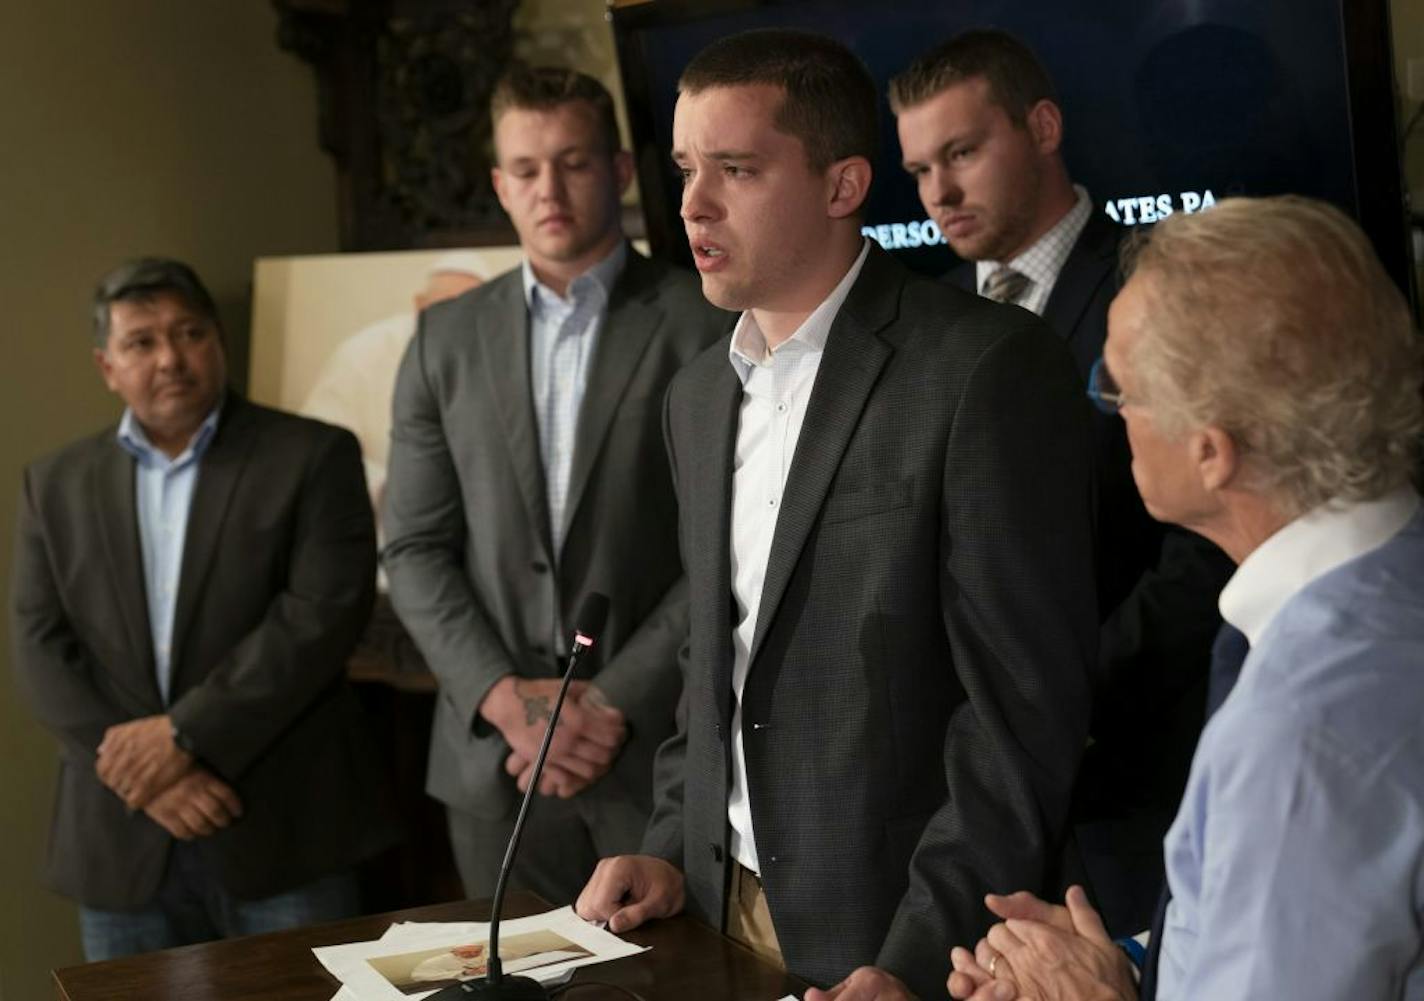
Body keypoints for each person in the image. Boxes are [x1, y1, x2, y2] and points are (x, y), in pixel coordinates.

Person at [575, 29, 1098, 1000]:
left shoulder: (984, 364)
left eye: (735, 168)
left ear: (842, 185)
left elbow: (1017, 714)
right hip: (711, 913)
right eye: (688, 167)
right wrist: (668, 849)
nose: (692, 203)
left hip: (892, 935)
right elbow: (714, 654)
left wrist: (913, 956)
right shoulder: (694, 394)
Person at [947, 195, 1424, 1001]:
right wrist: (1141, 960)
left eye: (1118, 389)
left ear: (1211, 452)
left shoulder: (1300, 733)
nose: (1114, 411)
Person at [890, 29, 1233, 934]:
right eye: (920, 168)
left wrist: (1061, 693)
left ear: (1042, 126)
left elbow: (1212, 539)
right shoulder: (918, 326)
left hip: (1134, 777)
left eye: (962, 152)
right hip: (967, 810)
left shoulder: (1160, 281)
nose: (939, 194)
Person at [382, 65, 727, 905]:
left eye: (573, 163)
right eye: (527, 170)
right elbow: (413, 548)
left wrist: (607, 702)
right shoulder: (443, 340)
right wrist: (505, 699)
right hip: (491, 767)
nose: (551, 189)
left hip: (655, 755)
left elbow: (726, 545)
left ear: (615, 170)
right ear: (500, 186)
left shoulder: (708, 318)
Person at [10, 257, 396, 960]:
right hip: (121, 839)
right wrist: (146, 774)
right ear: (107, 365)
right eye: (142, 341)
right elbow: (40, 645)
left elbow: (321, 617)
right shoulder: (55, 483)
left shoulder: (312, 456)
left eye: (189, 332)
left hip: (282, 826)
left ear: (217, 340)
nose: (170, 358)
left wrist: (182, 736)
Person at [301, 251, 486, 526]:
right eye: (446, 306)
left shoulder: (497, 356)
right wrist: (392, 491)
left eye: (470, 309)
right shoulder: (364, 353)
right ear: (419, 305)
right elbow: (317, 449)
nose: (455, 320)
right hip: (377, 528)